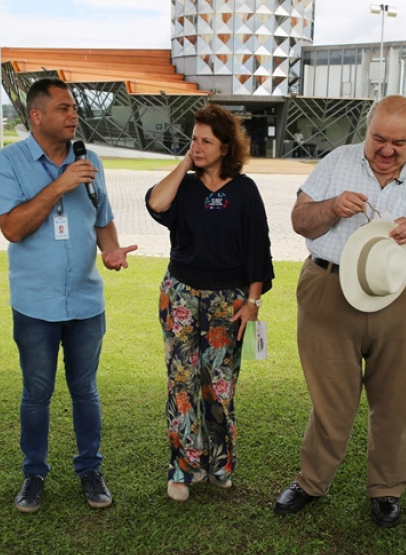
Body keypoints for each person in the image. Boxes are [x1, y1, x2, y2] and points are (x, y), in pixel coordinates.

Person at [274, 95, 406, 527]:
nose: (387, 150)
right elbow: (301, 220)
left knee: (399, 398)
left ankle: (386, 489)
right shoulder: (337, 162)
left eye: (399, 142)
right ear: (368, 130)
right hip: (329, 288)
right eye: (379, 138)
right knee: (330, 397)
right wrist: (331, 207)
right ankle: (311, 481)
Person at [0, 78, 137, 514]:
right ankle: (34, 475)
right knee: (36, 392)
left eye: (74, 108)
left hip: (86, 302)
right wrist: (59, 185)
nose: (74, 115)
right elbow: (12, 228)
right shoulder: (6, 163)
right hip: (36, 304)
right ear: (36, 116)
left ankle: (90, 469)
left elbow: (102, 216)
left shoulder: (88, 160)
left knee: (85, 390)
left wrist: (110, 249)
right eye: (63, 108)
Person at [146, 104, 274, 502]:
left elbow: (258, 250)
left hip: (228, 301)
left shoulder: (245, 190)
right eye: (193, 140)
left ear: (224, 147)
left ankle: (218, 462)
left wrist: (253, 302)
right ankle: (183, 469)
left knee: (219, 386)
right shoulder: (183, 185)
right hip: (181, 294)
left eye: (206, 142)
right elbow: (156, 204)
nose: (197, 147)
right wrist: (187, 162)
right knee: (182, 383)